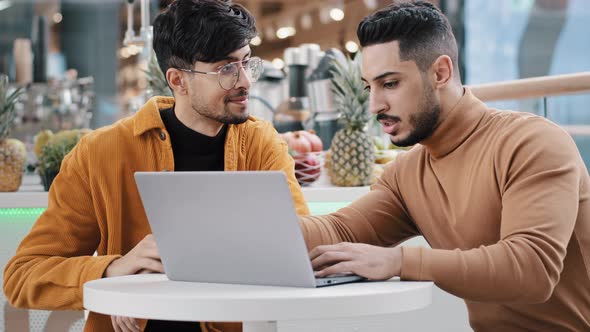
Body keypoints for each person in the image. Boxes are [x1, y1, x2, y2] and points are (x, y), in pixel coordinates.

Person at [3, 1, 309, 332]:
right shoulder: (100, 152)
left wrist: (150, 286)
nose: (246, 80)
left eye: (247, 62)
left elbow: (303, 251)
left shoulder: (262, 145)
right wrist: (112, 273)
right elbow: (22, 276)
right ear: (178, 80)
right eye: (226, 69)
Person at [300, 1, 590, 331]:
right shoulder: (407, 173)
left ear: (440, 72)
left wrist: (398, 261)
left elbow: (532, 270)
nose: (375, 105)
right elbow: (340, 231)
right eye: (370, 86)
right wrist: (253, 225)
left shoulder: (531, 142)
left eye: (390, 83)